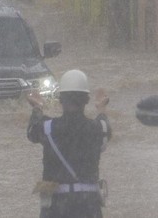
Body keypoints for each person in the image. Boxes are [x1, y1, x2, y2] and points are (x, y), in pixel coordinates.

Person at [27, 70, 111, 218]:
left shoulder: (48, 128)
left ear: (61, 100)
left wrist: (37, 107)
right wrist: (101, 107)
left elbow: (32, 131)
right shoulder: (97, 128)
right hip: (89, 206)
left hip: (57, 207)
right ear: (86, 100)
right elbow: (105, 126)